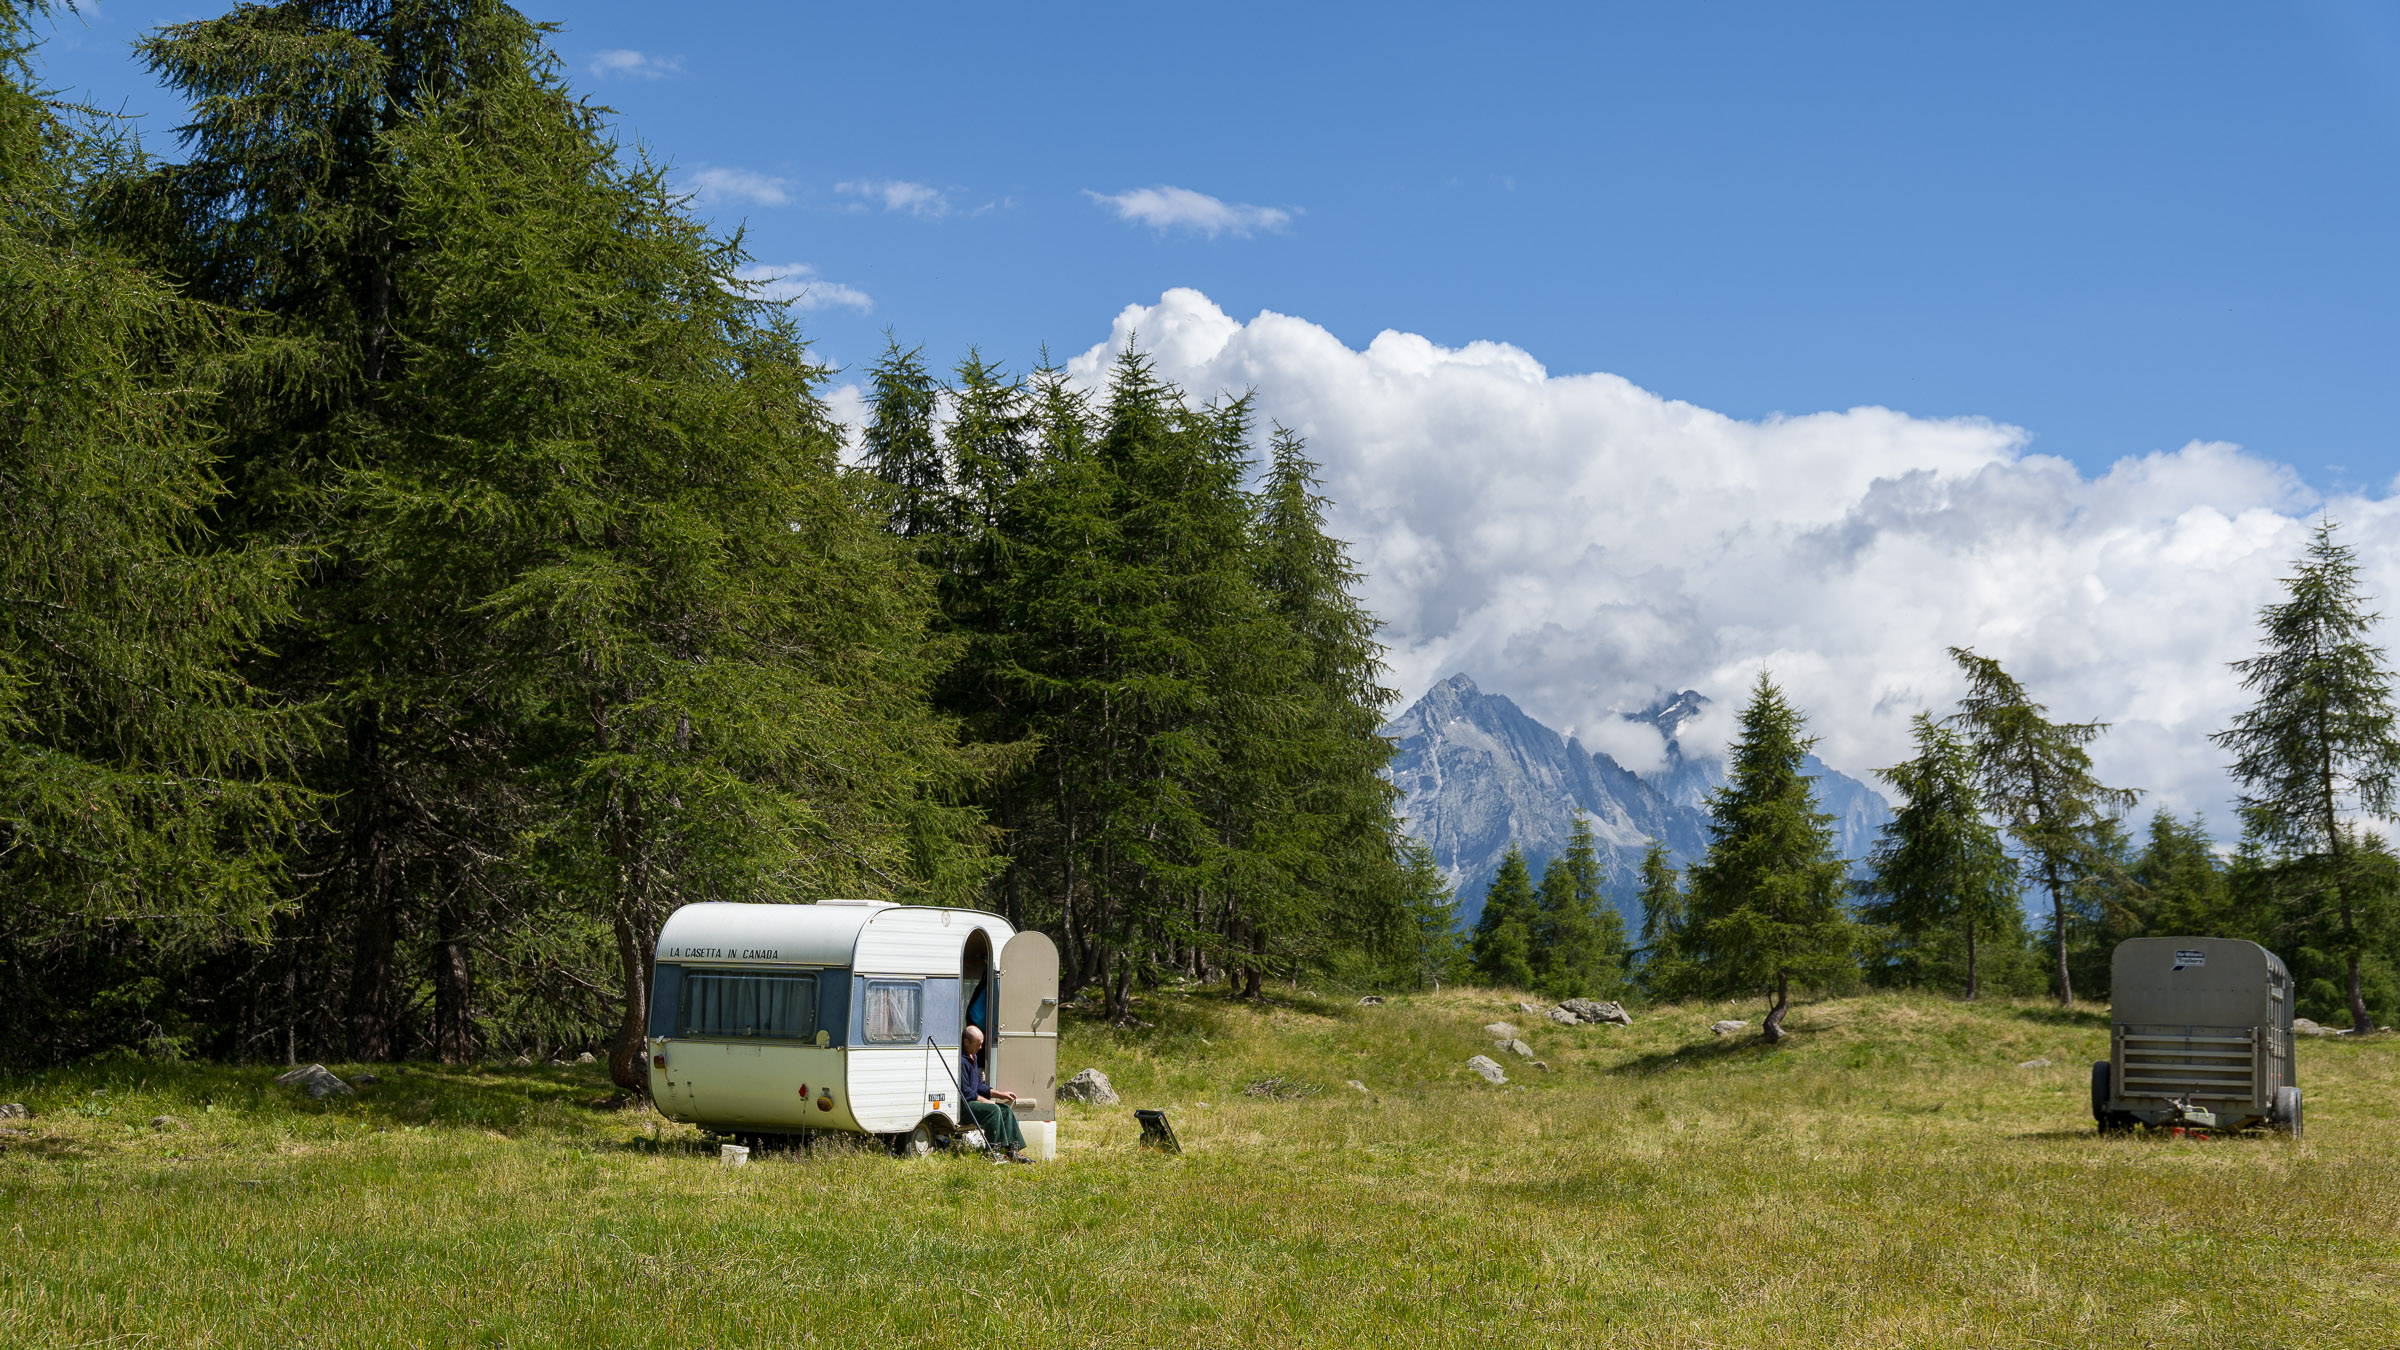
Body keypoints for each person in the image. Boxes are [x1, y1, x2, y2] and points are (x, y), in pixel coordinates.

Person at [959, 1025, 1030, 1163]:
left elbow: (979, 1086)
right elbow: (966, 1092)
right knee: (993, 1110)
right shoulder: (960, 1061)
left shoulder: (972, 1057)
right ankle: (992, 1151)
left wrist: (1000, 1094)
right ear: (966, 1042)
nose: (980, 1048)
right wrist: (986, 1102)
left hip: (973, 1102)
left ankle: (1013, 1150)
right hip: (963, 1107)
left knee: (1005, 1110)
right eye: (978, 1044)